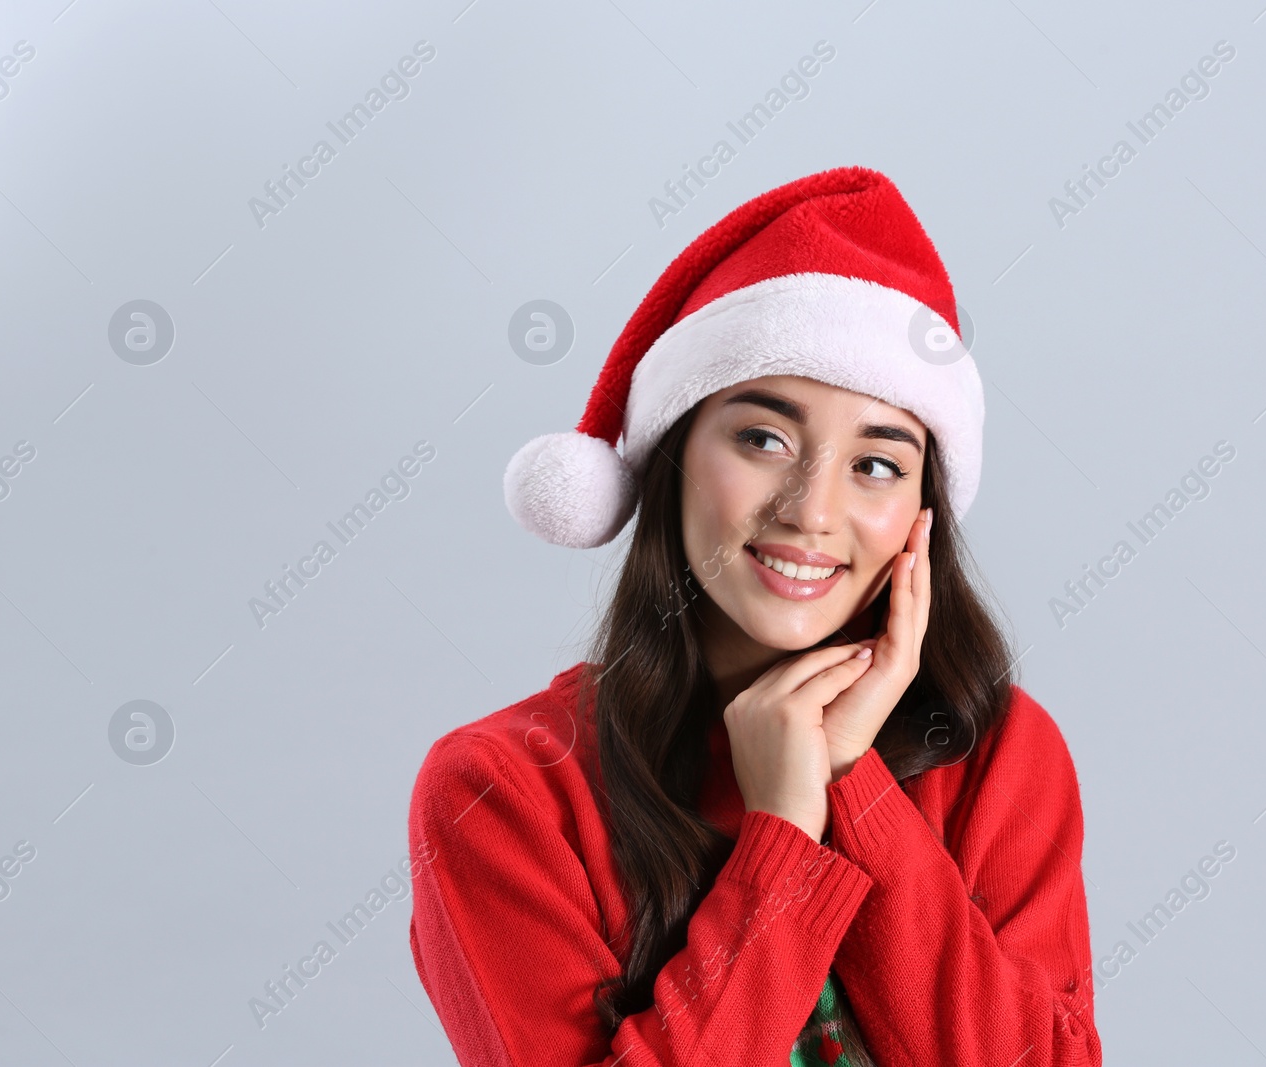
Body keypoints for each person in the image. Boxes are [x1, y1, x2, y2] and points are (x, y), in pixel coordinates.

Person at [407, 166, 1102, 1066]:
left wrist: (853, 778)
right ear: (674, 456)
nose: (812, 511)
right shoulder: (503, 791)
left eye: (878, 464)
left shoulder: (996, 753)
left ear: (920, 517)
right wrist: (781, 835)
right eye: (763, 438)